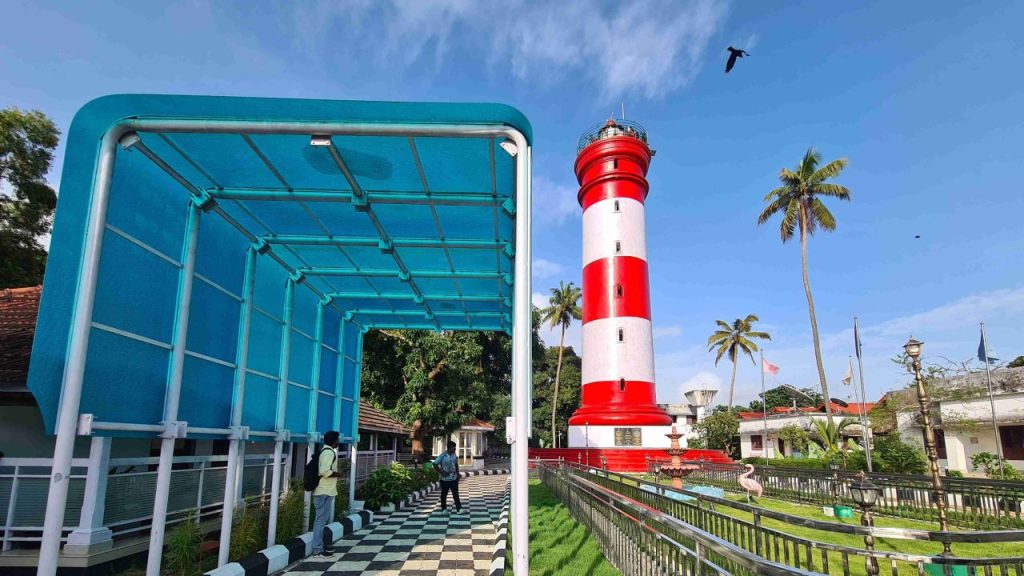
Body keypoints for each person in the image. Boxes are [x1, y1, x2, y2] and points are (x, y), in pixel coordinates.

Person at [312, 431, 342, 556]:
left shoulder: (324, 451)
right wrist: (337, 474)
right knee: (320, 520)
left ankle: (319, 546)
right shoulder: (329, 452)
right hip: (323, 490)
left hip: (325, 490)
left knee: (321, 520)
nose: (338, 442)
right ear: (334, 441)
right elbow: (324, 471)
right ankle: (317, 549)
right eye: (338, 440)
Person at [433, 440, 462, 513]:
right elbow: (435, 464)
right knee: (444, 494)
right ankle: (444, 509)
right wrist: (441, 472)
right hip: (444, 479)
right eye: (453, 447)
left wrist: (458, 473)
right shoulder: (442, 456)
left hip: (454, 478)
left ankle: (459, 509)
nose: (455, 449)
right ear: (449, 448)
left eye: (455, 447)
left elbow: (456, 464)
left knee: (455, 494)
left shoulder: (454, 455)